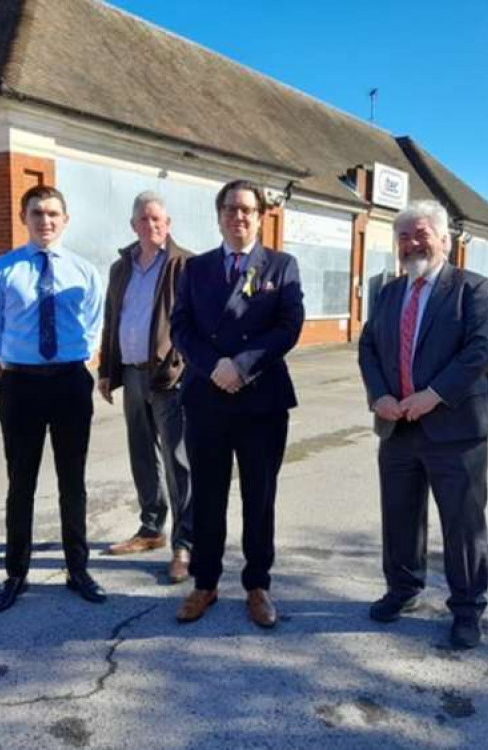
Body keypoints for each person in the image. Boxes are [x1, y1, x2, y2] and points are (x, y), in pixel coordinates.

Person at [357, 199, 488, 649]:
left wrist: (433, 395)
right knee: (399, 516)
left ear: (445, 240)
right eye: (404, 236)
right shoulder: (387, 292)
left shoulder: (473, 289)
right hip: (398, 426)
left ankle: (466, 608)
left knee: (462, 522)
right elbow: (368, 349)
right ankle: (402, 589)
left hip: (455, 426)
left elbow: (480, 350)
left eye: (422, 234)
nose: (412, 243)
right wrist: (380, 396)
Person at [170, 179, 304, 629]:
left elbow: (288, 327)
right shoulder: (195, 268)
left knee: (259, 497)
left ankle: (257, 585)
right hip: (207, 398)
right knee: (207, 496)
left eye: (247, 209)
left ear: (260, 216)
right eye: (230, 208)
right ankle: (204, 583)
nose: (238, 216)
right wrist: (214, 367)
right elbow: (180, 327)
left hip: (261, 402)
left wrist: (241, 366)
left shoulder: (282, 266)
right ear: (219, 215)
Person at [0, 184, 107, 612]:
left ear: (65, 220)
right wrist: (23, 361)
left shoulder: (85, 272)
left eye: (53, 213)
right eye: (37, 213)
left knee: (73, 481)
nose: (45, 221)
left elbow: (92, 327)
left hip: (70, 383)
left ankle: (78, 569)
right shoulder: (1, 271)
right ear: (24, 218)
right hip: (21, 386)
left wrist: (73, 362)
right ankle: (16, 573)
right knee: (22, 482)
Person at [98, 191, 194, 583]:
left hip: (169, 377)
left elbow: (196, 323)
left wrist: (180, 364)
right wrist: (106, 370)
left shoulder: (185, 264)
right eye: (144, 220)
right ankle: (151, 528)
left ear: (167, 224)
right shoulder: (120, 268)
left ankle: (184, 545)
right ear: (133, 225)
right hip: (131, 373)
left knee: (176, 460)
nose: (151, 226)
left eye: (158, 220)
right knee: (141, 453)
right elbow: (111, 319)